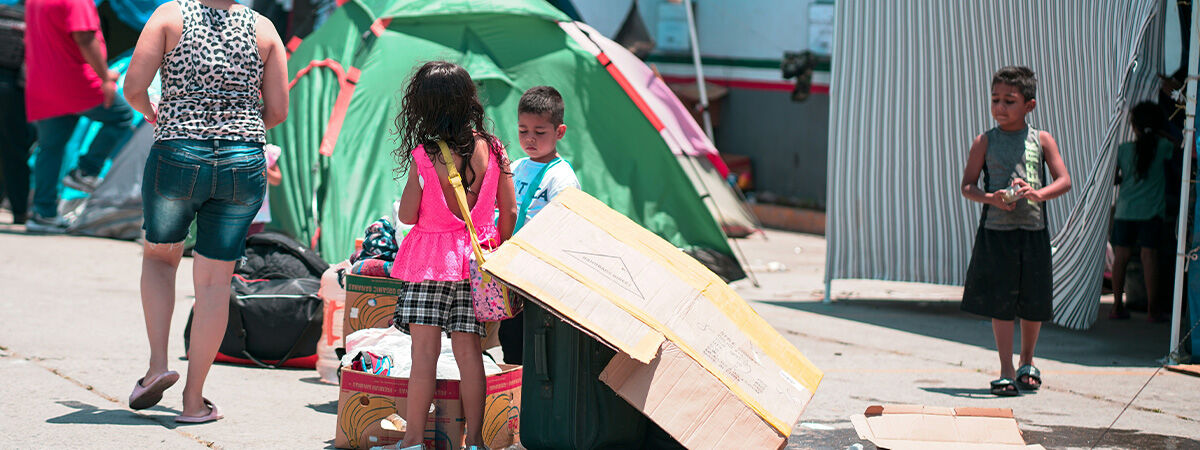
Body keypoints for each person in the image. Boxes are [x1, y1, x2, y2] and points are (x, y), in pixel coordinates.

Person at [121, 0, 288, 423]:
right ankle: (194, 401)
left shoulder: (168, 16)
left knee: (161, 258)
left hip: (178, 151)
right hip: (242, 160)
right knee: (215, 283)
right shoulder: (265, 29)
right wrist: (239, 130)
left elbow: (133, 86)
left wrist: (153, 113)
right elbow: (278, 110)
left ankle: (158, 367)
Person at [387, 61, 517, 450]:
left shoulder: (425, 155)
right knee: (470, 354)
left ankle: (412, 440)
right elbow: (508, 211)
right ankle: (474, 441)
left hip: (430, 264)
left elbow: (408, 215)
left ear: (424, 108)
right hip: (475, 264)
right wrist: (496, 247)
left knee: (423, 354)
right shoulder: (495, 149)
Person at [959, 66, 1071, 396]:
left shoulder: (1042, 139)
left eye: (1009, 101)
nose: (1000, 108)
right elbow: (967, 185)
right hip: (997, 232)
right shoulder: (984, 141)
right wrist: (991, 197)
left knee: (1033, 300)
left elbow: (1064, 181)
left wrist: (1037, 193)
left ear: (1029, 106)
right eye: (995, 100)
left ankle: (1028, 361)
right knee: (1001, 303)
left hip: (1033, 229)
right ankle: (1006, 368)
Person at [23, 0, 134, 232]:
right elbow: (84, 37)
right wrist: (104, 76)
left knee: (50, 148)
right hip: (76, 82)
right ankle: (86, 171)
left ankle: (43, 214)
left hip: (43, 82)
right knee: (122, 116)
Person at [497, 85, 580, 364]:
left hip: (540, 274)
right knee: (510, 336)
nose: (530, 138)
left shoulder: (562, 178)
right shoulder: (517, 166)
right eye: (523, 131)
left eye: (539, 132)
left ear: (560, 132)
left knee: (536, 342)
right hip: (511, 271)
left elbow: (568, 229)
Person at [1110, 102, 1174, 323]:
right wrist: (1162, 131)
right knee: (1150, 258)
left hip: (1125, 211)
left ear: (1134, 126)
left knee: (1121, 258)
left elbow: (1116, 178)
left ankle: (1117, 306)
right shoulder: (1163, 146)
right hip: (1151, 213)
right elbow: (1180, 146)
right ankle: (1153, 310)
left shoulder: (1124, 150)